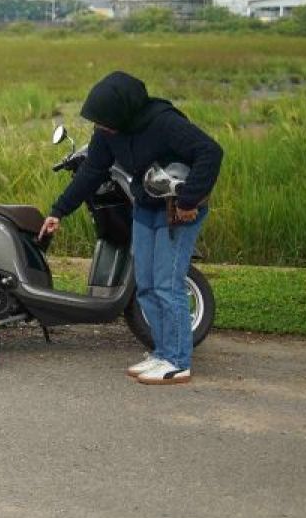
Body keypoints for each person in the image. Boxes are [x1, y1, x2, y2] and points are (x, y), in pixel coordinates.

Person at [39, 72, 222, 386]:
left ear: (124, 110)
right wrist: (59, 211)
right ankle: (163, 353)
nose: (102, 127)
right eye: (98, 121)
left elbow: (211, 152)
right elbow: (92, 172)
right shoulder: (108, 133)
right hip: (146, 207)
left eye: (105, 120)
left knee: (168, 284)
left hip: (178, 210)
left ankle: (178, 362)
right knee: (147, 285)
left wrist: (189, 200)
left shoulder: (164, 122)